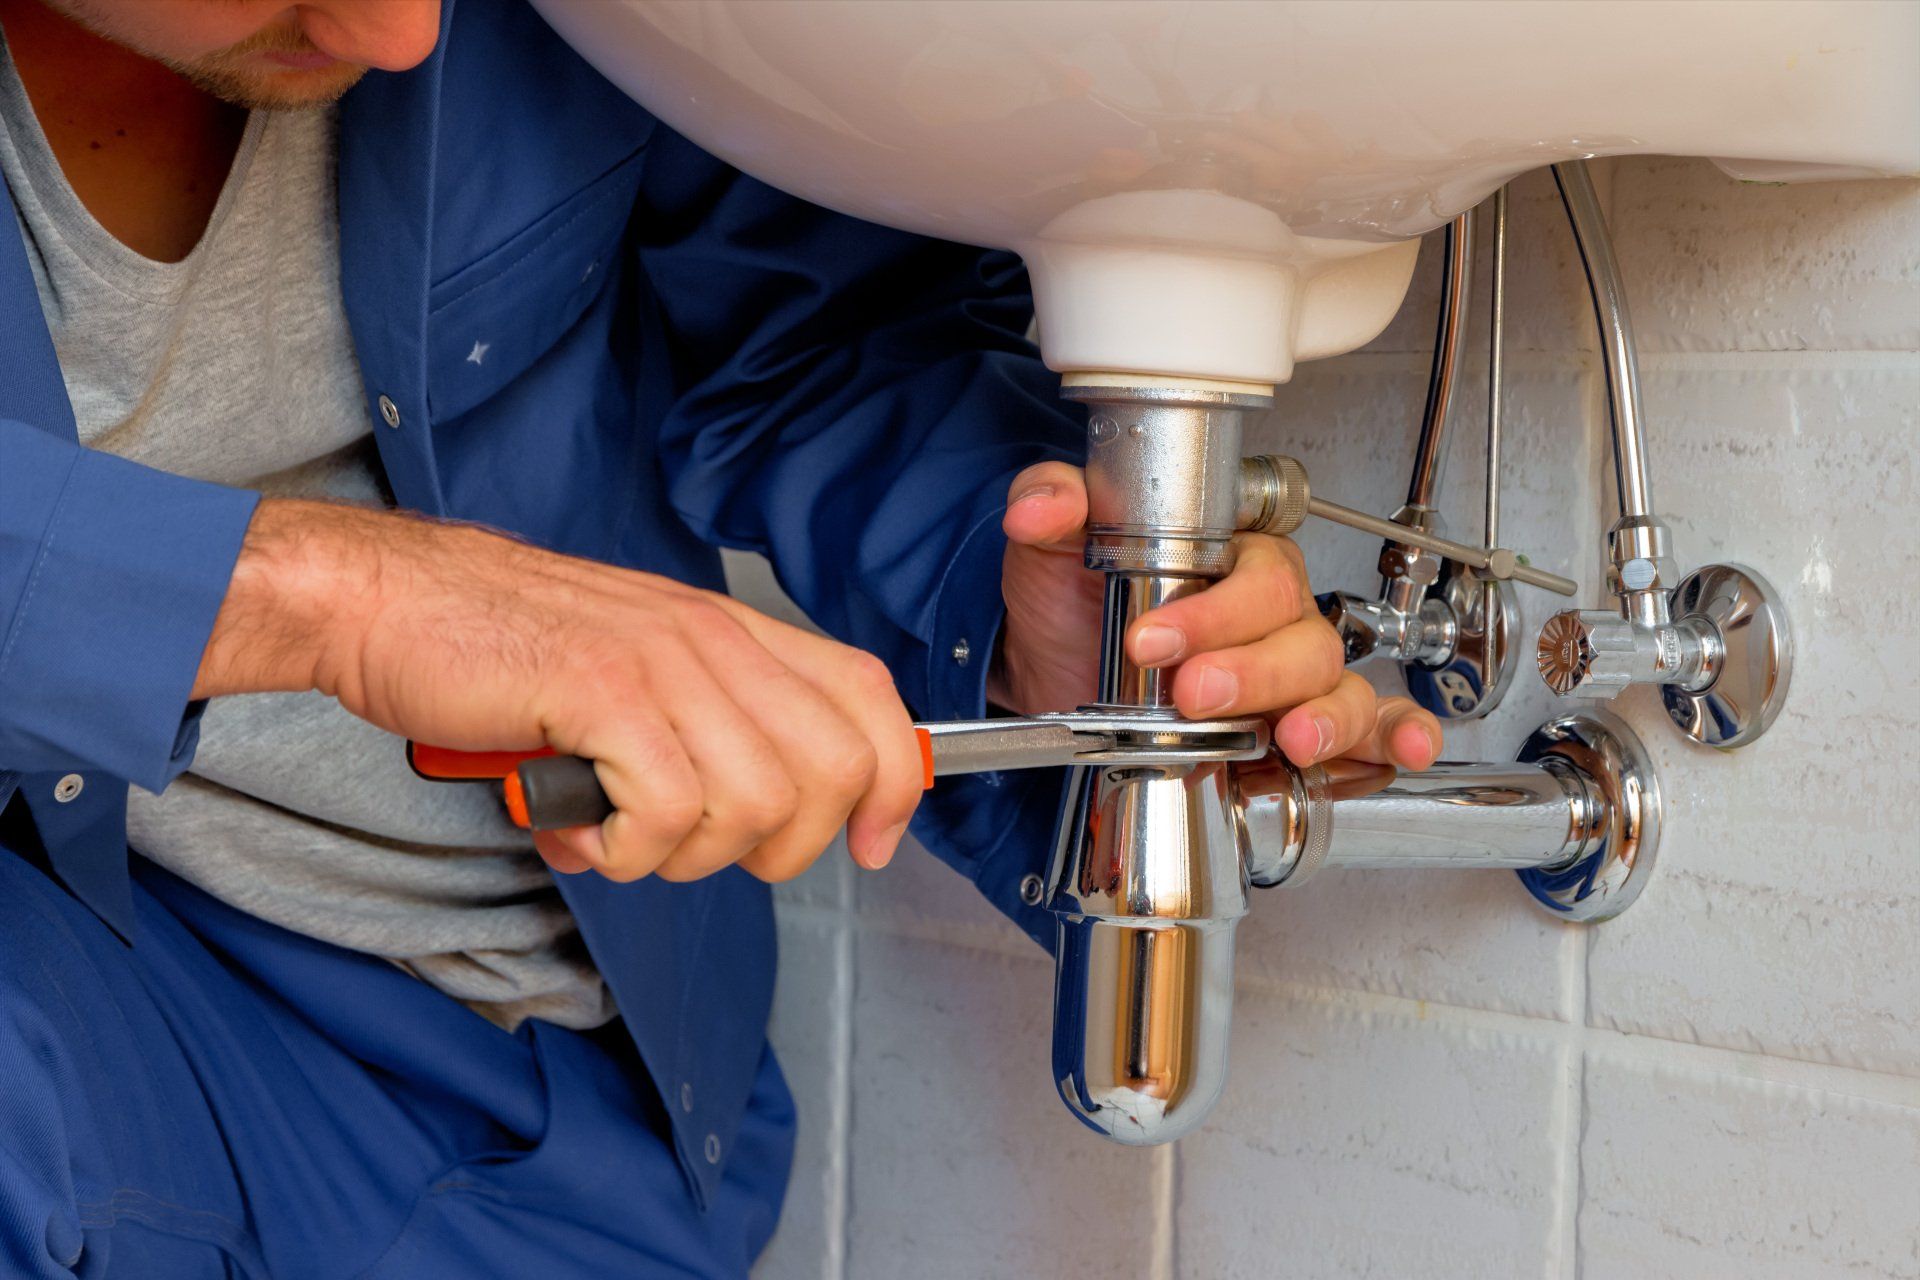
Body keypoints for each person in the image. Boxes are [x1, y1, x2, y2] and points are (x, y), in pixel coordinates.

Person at [0, 0, 1443, 1275]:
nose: (407, 37)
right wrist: (334, 595)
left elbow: (810, 332)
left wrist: (1007, 616)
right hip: (84, 981)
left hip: (528, 1093)